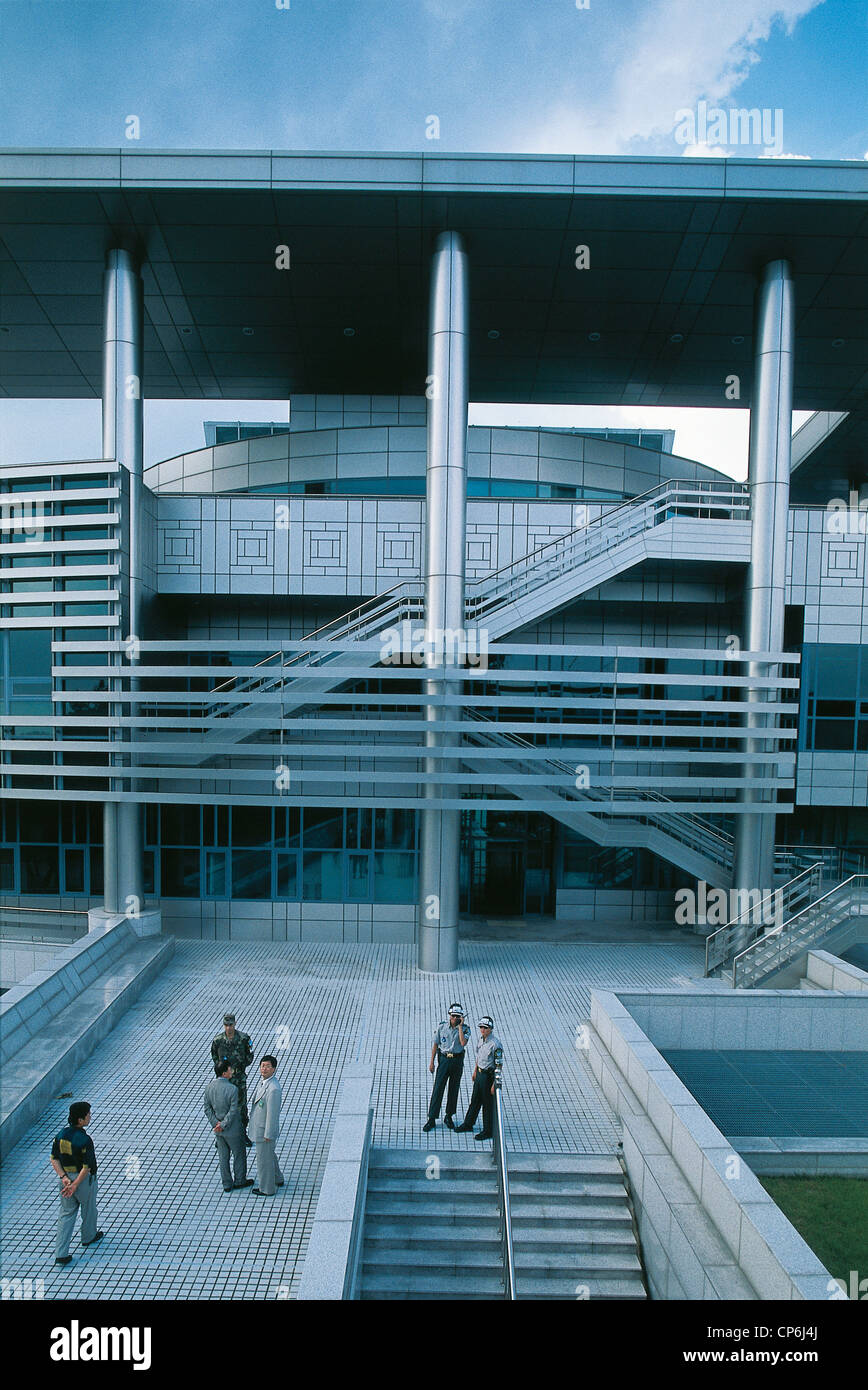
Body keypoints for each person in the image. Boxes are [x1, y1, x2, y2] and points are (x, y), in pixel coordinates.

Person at [50, 1101, 103, 1265]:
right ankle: (88, 1236)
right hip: (83, 1181)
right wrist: (75, 1184)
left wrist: (64, 1178)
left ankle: (61, 1253)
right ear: (80, 1120)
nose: (89, 1117)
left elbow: (54, 1158)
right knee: (88, 1209)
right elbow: (87, 1167)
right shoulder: (85, 1140)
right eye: (88, 1114)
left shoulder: (60, 1135)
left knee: (66, 1214)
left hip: (66, 1179)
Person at [204, 1059, 254, 1193]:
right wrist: (224, 1124)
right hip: (233, 1129)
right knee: (239, 1155)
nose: (232, 1071)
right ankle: (240, 1180)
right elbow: (233, 1110)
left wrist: (216, 1124)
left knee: (223, 1157)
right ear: (225, 1073)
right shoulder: (232, 1089)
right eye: (230, 1069)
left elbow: (207, 1108)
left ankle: (227, 1183)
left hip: (218, 1131)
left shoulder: (209, 1087)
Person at [423, 1003, 469, 1132]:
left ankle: (449, 1116)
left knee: (453, 1089)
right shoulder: (442, 1027)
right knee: (438, 1088)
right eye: (453, 1016)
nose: (455, 1018)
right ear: (449, 1015)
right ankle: (432, 1118)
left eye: (458, 1016)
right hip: (443, 1059)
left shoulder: (465, 1029)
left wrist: (460, 1027)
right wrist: (431, 1062)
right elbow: (435, 1045)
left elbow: (463, 1042)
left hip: (457, 1060)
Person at [210, 1013, 254, 1147]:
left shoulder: (243, 1038)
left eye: (231, 1025)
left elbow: (249, 1056)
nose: (228, 1028)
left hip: (239, 1079)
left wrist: (239, 1067)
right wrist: (222, 1071)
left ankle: (242, 1134)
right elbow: (215, 1057)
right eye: (226, 1025)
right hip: (224, 1081)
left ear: (235, 1024)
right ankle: (222, 1135)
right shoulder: (218, 1040)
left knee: (241, 1107)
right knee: (222, 1107)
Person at [456, 1017, 503, 1141]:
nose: (482, 1030)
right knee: (475, 1100)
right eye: (481, 1027)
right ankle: (468, 1124)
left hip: (488, 1076)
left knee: (487, 1104)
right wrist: (475, 1070)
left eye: (485, 1028)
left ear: (491, 1029)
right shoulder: (481, 1040)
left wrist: (494, 1084)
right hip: (480, 1074)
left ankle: (488, 1131)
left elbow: (499, 1065)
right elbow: (479, 1056)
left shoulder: (495, 1044)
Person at [249, 1055, 284, 1196]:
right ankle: (277, 1178)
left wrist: (269, 1134)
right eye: (262, 1065)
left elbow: (272, 1114)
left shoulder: (273, 1089)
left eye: (268, 1066)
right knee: (269, 1155)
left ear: (274, 1069)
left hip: (264, 1131)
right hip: (260, 1128)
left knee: (264, 1160)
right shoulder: (264, 1082)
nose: (264, 1069)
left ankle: (267, 1188)